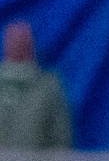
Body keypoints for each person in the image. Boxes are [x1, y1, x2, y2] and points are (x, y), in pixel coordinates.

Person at [0, 21, 73, 151]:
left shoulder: (49, 86)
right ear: (5, 43)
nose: (18, 44)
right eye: (13, 39)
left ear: (31, 44)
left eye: (22, 39)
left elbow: (60, 137)